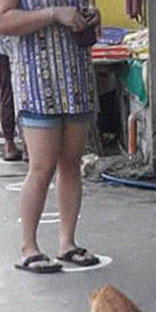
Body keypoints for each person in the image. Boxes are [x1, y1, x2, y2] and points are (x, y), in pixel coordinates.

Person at [0, 0, 101, 272]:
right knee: (42, 167)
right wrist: (54, 14)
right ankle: (28, 247)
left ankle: (67, 243)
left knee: (71, 163)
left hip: (75, 80)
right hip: (37, 82)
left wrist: (90, 18)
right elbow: (3, 21)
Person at [0, 35, 20, 160]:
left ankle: (10, 143)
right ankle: (23, 146)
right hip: (10, 48)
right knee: (15, 94)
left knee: (6, 94)